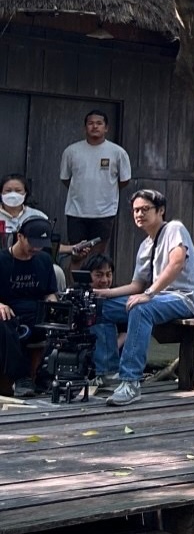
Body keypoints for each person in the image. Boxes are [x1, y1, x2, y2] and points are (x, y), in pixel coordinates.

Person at [92, 188, 194, 406]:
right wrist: (105, 294)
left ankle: (131, 382)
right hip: (156, 299)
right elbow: (137, 285)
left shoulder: (174, 229)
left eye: (145, 209)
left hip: (183, 298)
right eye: (135, 210)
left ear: (160, 210)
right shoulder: (145, 246)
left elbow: (176, 263)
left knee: (140, 308)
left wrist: (149, 294)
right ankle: (108, 373)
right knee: (98, 307)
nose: (139, 214)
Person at [59, 109, 131, 262]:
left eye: (99, 123)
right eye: (91, 123)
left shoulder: (118, 153)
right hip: (76, 211)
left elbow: (124, 180)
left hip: (104, 212)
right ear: (85, 127)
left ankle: (95, 286)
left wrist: (105, 191)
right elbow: (65, 179)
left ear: (106, 128)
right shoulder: (71, 151)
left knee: (97, 257)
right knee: (77, 256)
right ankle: (74, 286)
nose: (95, 127)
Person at [0, 218, 60, 396]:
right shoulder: (2, 259)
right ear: (20, 236)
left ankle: (46, 376)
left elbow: (50, 291)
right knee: (5, 325)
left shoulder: (44, 260)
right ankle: (21, 378)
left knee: (61, 322)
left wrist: (52, 302)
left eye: (40, 245)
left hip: (36, 310)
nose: (36, 248)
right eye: (32, 243)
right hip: (9, 311)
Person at [0, 173, 48, 252]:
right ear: (1, 193)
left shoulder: (38, 216)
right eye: (8, 191)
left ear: (26, 193)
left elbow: (48, 245)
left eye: (18, 190)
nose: (13, 195)